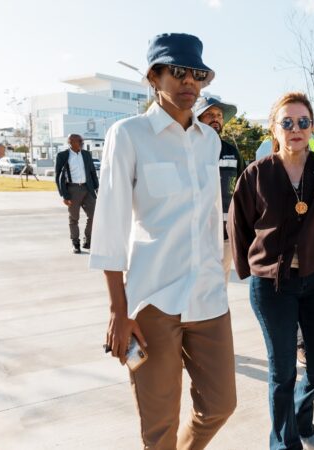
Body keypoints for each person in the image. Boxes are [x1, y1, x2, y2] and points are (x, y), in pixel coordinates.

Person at [89, 33, 236, 449]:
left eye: (198, 74)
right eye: (179, 71)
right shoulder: (129, 135)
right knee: (159, 426)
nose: (190, 82)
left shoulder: (210, 142)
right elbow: (111, 226)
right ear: (154, 76)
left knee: (221, 404)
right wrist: (119, 311)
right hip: (151, 301)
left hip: (209, 297)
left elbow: (209, 221)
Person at [229, 92, 314, 450]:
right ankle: (284, 445)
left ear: (312, 127)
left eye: (303, 122)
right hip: (273, 285)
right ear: (274, 129)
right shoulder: (257, 174)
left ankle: (301, 414)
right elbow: (238, 225)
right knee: (282, 372)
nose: (295, 129)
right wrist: (249, 269)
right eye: (286, 123)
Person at [194, 94, 245, 286]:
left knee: (219, 288)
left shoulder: (232, 152)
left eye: (219, 115)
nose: (216, 118)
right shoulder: (187, 148)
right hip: (196, 234)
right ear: (197, 118)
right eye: (209, 114)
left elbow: (242, 192)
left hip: (225, 235)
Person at [55, 134, 99, 254]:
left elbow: (92, 172)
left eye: (82, 141)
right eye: (80, 141)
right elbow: (58, 176)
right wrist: (64, 195)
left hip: (87, 189)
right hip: (72, 190)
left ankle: (88, 240)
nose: (82, 143)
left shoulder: (86, 154)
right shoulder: (62, 156)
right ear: (71, 142)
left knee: (94, 215)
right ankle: (75, 243)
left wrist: (97, 187)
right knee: (74, 218)